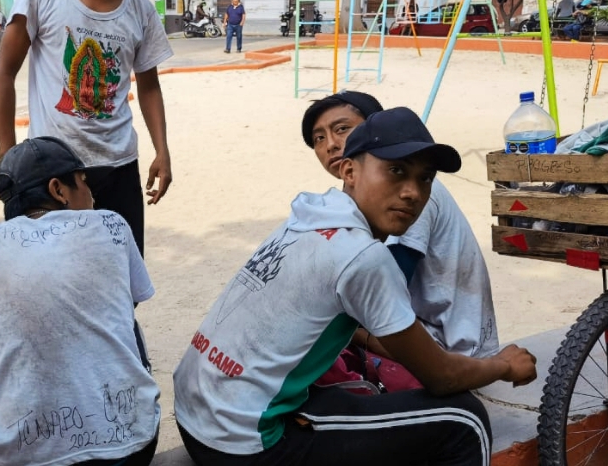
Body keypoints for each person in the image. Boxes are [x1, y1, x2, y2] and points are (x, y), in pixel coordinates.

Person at [173, 107, 537, 466]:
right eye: (395, 171)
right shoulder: (362, 256)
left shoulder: (309, 216)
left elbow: (381, 336)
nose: (412, 192)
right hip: (242, 441)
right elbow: (442, 378)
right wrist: (503, 366)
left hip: (197, 412)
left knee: (357, 394)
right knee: (464, 419)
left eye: (425, 178)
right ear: (349, 171)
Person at [0, 0, 174, 257]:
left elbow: (150, 86)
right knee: (55, 279)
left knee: (122, 277)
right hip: (53, 172)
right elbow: (5, 73)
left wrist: (162, 149)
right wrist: (9, 159)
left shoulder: (140, 11)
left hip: (119, 165)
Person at [0, 136, 161, 466]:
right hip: (129, 447)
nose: (93, 197)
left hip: (19, 457)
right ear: (58, 190)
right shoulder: (110, 225)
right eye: (84, 184)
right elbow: (132, 303)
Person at [302, 91, 499, 358]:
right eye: (319, 138)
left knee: (317, 330)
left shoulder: (407, 194)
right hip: (407, 328)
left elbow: (381, 293)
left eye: (342, 129)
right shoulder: (358, 195)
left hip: (447, 345)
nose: (331, 145)